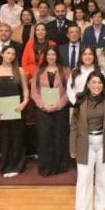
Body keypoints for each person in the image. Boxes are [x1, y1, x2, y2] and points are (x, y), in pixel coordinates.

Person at [0, 44, 29, 178]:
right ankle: (6, 165)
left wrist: (24, 103)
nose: (10, 56)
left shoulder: (20, 70)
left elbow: (25, 90)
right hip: (3, 111)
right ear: (2, 54)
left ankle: (18, 166)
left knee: (17, 137)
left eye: (13, 54)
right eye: (8, 53)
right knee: (5, 138)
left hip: (17, 110)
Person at [31, 46, 71, 176]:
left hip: (60, 110)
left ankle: (60, 166)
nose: (51, 57)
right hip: (43, 111)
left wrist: (58, 104)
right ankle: (46, 167)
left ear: (57, 56)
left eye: (53, 55)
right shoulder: (39, 72)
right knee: (44, 138)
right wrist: (43, 105)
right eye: (49, 55)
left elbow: (68, 91)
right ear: (45, 57)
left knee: (59, 137)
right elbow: (34, 93)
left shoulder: (65, 71)